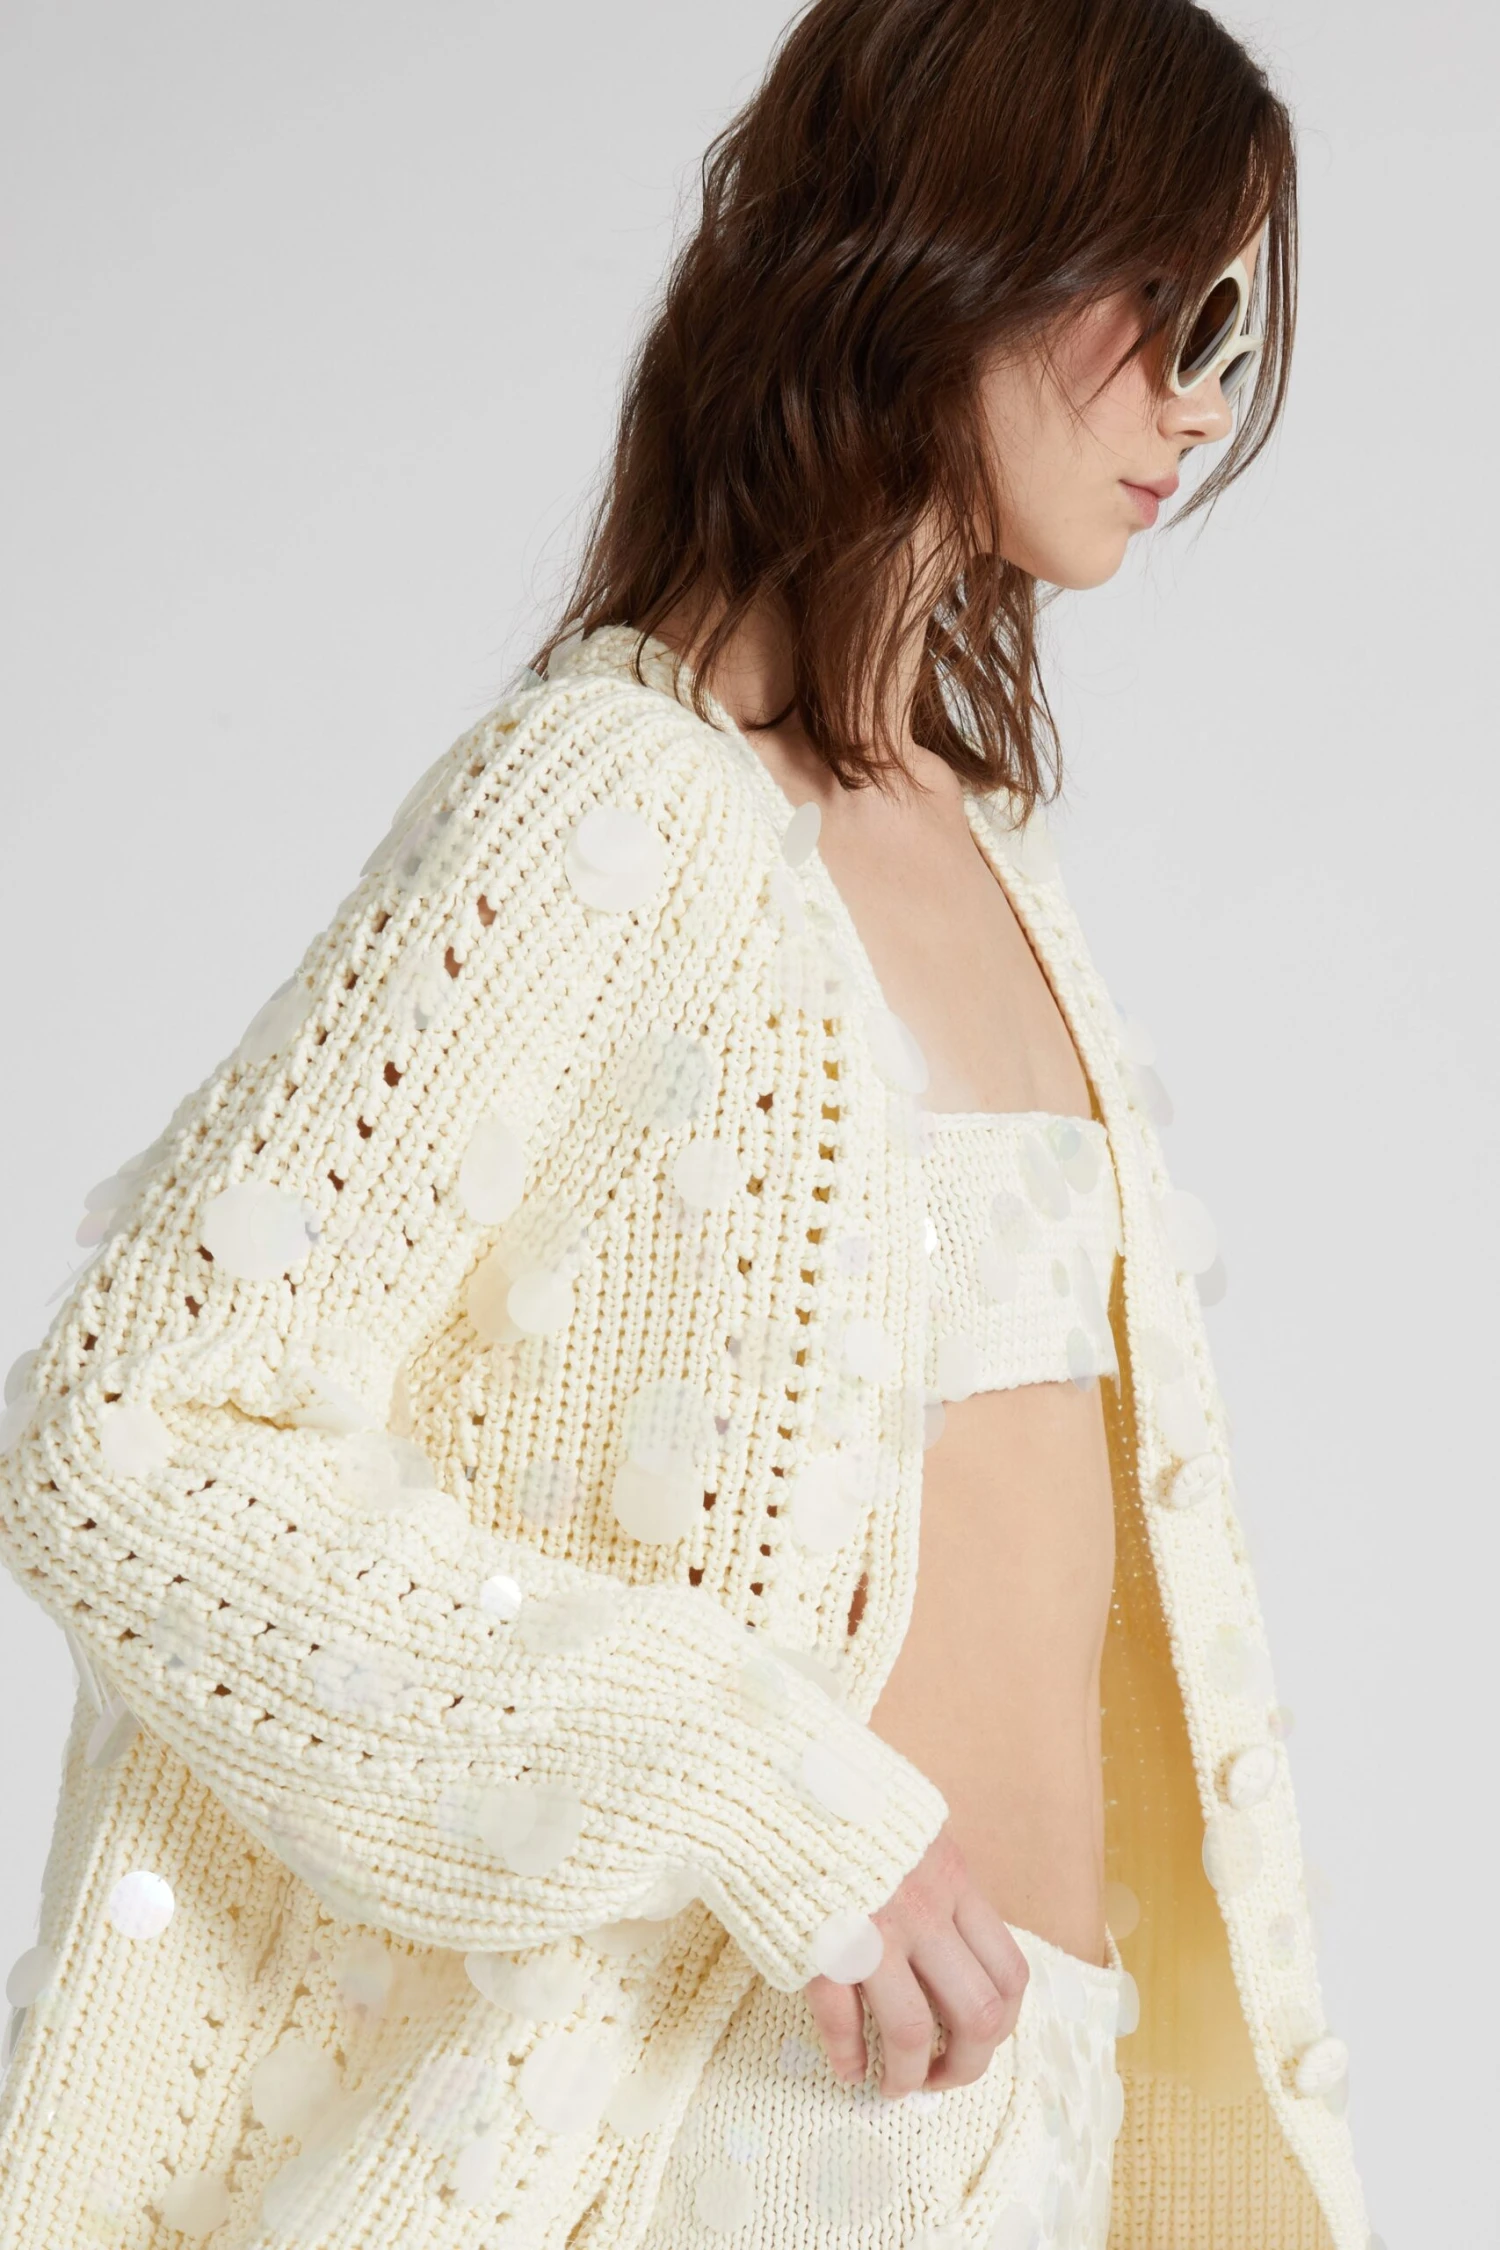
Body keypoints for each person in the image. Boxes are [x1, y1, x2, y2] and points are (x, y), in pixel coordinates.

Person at [0, 1, 1371, 2246]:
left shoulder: (984, 850)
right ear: (954, 246)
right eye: (1171, 303)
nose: (1204, 399)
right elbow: (127, 1429)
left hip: (1030, 2120)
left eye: (1236, 331)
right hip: (726, 2133)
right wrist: (759, 1791)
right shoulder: (611, 806)